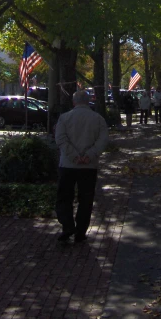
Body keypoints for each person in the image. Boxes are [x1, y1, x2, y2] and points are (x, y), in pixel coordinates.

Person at [54, 90, 109, 243]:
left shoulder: (64, 118)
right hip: (89, 166)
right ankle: (80, 231)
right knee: (86, 199)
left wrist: (74, 156)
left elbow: (60, 139)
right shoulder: (98, 119)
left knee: (64, 197)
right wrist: (89, 155)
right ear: (89, 100)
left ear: (74, 102)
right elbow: (103, 140)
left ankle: (67, 225)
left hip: (68, 165)